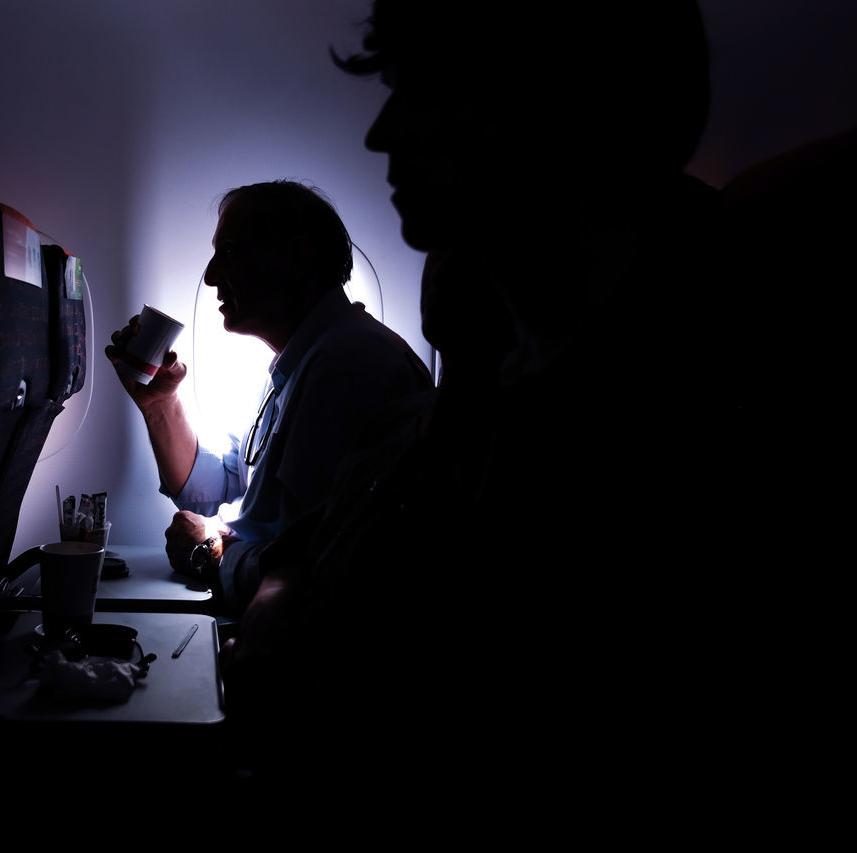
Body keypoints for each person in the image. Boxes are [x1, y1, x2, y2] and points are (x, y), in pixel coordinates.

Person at [217, 0, 792, 829]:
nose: (381, 134)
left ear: (554, 104)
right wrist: (281, 580)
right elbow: (353, 519)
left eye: (420, 91)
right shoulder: (486, 344)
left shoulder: (679, 391)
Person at [105, 179, 433, 618]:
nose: (210, 276)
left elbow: (308, 569)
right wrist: (159, 404)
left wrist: (210, 551)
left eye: (230, 252)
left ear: (298, 258)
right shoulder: (299, 362)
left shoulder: (349, 366)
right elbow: (225, 490)